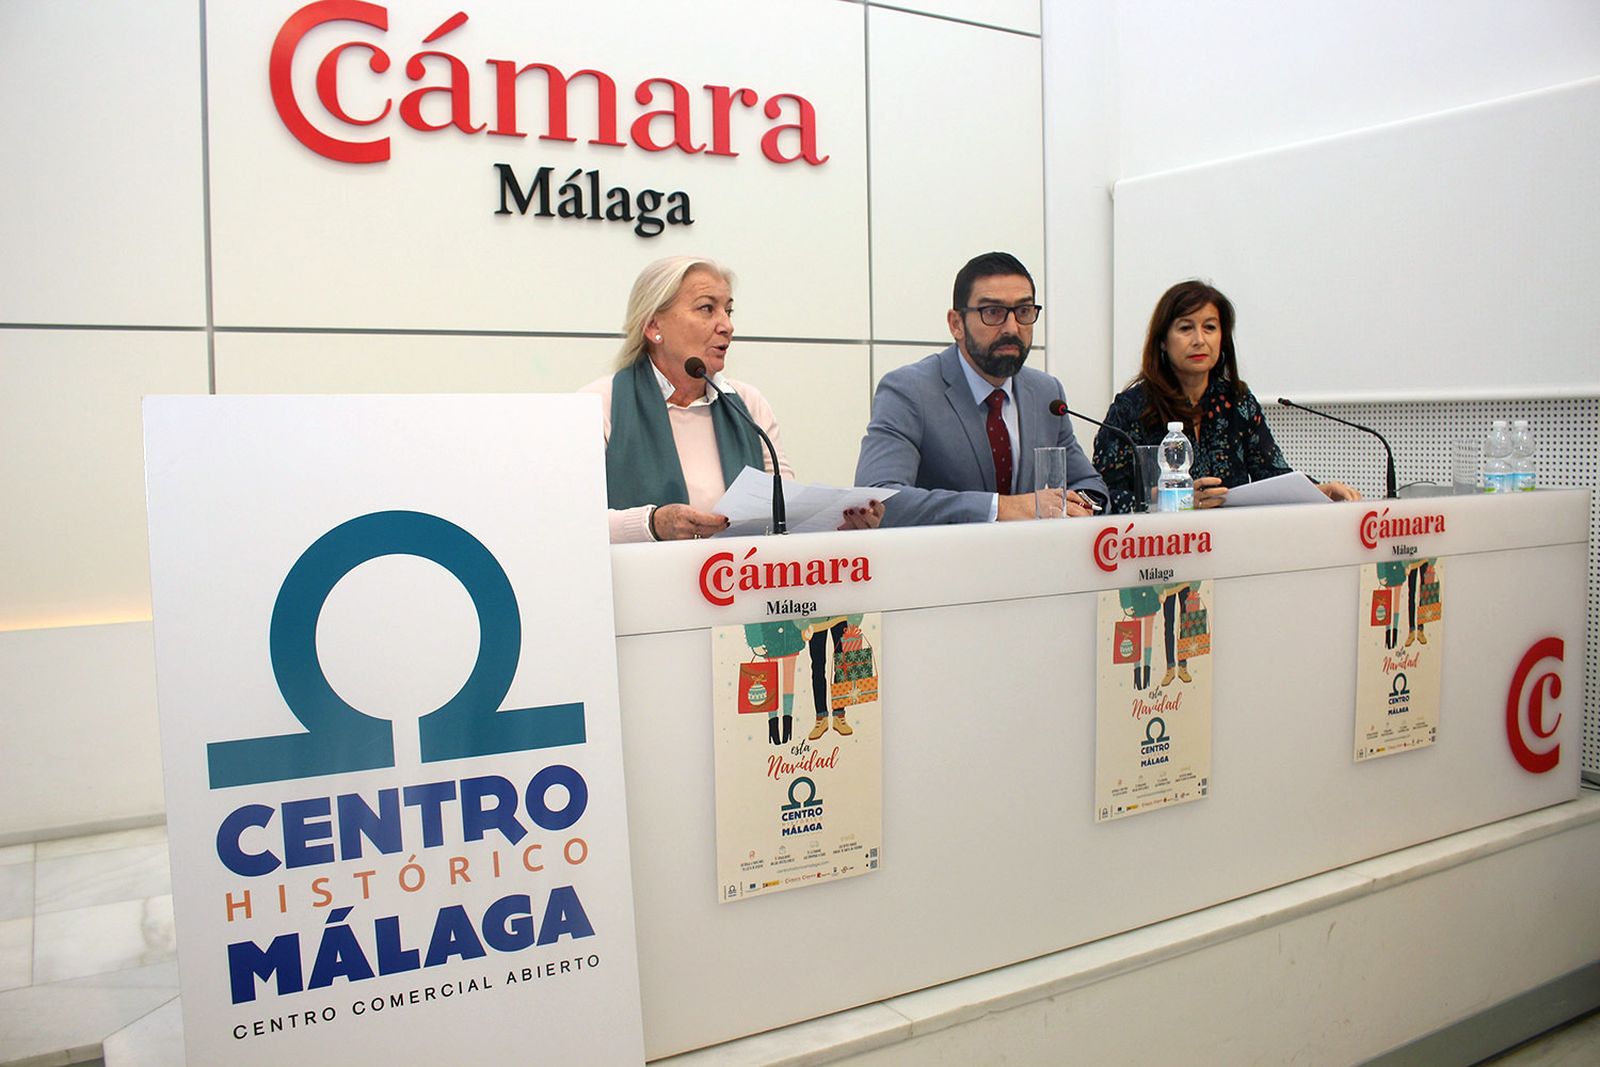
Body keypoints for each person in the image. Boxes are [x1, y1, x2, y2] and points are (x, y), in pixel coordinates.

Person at [583, 256, 884, 542]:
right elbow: (574, 521)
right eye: (706, 308)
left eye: (728, 311)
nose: (727, 326)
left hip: (738, 577)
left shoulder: (747, 404)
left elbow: (784, 512)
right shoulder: (599, 405)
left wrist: (839, 525)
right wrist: (651, 524)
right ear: (653, 326)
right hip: (639, 579)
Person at [854, 252, 1107, 525]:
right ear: (956, 324)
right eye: (993, 312)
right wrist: (1001, 508)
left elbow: (1090, 485)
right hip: (945, 552)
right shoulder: (910, 391)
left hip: (1036, 552)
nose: (1012, 328)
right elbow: (878, 495)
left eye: (1023, 311)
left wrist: (1078, 505)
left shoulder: (1045, 392)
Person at [1094, 280, 1360, 512]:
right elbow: (1102, 498)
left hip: (1232, 541)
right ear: (1163, 340)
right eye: (1185, 328)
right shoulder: (1132, 408)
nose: (1199, 340)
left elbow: (1273, 476)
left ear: (1223, 338)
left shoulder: (1238, 401)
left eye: (1210, 327)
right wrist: (1171, 498)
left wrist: (1318, 491)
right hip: (1161, 546)